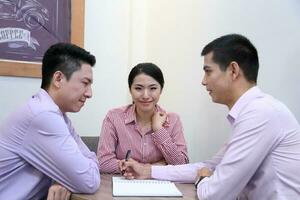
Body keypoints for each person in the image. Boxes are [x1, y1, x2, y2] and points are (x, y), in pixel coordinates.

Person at [121, 34, 300, 199]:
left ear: (233, 70)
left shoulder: (260, 114)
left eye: (208, 71)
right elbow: (209, 165)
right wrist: (147, 171)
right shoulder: (254, 112)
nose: (203, 81)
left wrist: (203, 179)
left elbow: (213, 194)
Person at [0, 43, 100, 200]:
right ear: (58, 78)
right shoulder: (43, 115)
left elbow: (85, 167)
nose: (89, 93)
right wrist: (69, 177)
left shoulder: (57, 114)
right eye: (85, 83)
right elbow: (89, 181)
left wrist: (63, 179)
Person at [97, 63, 189, 173]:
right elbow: (103, 163)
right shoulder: (114, 117)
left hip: (162, 187)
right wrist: (155, 166)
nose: (145, 95)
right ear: (130, 90)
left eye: (153, 88)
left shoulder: (173, 120)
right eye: (138, 88)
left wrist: (158, 130)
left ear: (161, 90)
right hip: (124, 184)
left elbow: (182, 164)